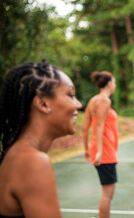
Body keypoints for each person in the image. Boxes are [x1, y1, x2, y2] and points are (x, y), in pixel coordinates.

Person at [0, 60, 82, 218]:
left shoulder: (16, 155)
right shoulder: (32, 162)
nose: (78, 104)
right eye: (70, 95)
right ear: (42, 103)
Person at [82, 71, 118, 218]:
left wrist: (86, 150)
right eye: (114, 82)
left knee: (106, 192)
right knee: (108, 194)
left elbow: (85, 128)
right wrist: (100, 152)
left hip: (100, 149)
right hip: (105, 152)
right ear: (109, 83)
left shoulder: (92, 101)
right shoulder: (104, 101)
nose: (114, 85)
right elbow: (99, 126)